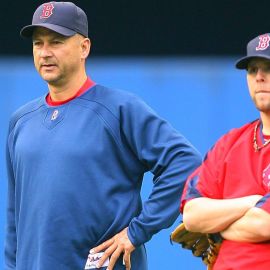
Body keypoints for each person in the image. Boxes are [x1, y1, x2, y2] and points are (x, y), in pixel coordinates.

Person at [4, 2, 201, 270]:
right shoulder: (20, 122)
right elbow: (16, 217)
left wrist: (136, 232)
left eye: (57, 41)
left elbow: (184, 162)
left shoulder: (118, 109)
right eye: (38, 43)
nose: (45, 52)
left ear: (84, 47)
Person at [180, 33, 270, 270]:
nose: (260, 77)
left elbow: (264, 224)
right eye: (252, 70)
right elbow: (192, 215)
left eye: (268, 68)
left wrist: (217, 229)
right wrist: (251, 202)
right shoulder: (229, 144)